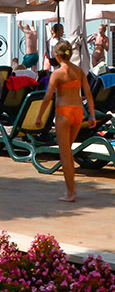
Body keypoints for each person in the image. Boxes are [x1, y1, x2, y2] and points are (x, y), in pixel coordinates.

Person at [48, 44, 90, 203]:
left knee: (65, 154)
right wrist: (91, 115)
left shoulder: (57, 74)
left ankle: (70, 193)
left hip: (64, 113)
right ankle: (71, 189)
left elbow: (47, 97)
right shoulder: (79, 71)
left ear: (57, 57)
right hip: (78, 112)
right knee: (68, 152)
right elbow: (88, 94)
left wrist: (39, 117)